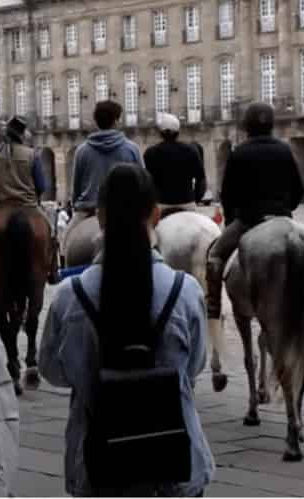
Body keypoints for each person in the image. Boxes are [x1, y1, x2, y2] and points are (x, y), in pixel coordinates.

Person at [40, 165, 213, 497]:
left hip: (97, 464)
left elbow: (53, 372)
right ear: (155, 214)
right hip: (175, 462)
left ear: (100, 217)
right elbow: (194, 367)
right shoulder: (185, 289)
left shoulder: (69, 294)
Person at [207, 103, 304, 320]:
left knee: (214, 255)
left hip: (249, 220)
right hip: (281, 217)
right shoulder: (284, 150)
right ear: (272, 125)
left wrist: (232, 220)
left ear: (246, 126)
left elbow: (228, 194)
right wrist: (285, 210)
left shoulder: (239, 153)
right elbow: (299, 190)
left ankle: (213, 304)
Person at [67, 100, 144, 228]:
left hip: (89, 210)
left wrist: (76, 206)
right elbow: (142, 185)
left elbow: (76, 188)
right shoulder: (132, 149)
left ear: (96, 122)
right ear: (116, 121)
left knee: (64, 242)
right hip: (125, 209)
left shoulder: (82, 150)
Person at [144, 112, 207, 218]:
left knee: (150, 233)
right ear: (178, 132)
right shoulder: (191, 151)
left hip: (161, 204)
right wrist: (195, 199)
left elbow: (147, 182)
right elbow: (201, 180)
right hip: (187, 203)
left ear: (160, 133)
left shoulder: (150, 152)